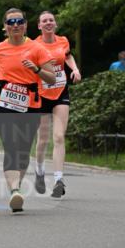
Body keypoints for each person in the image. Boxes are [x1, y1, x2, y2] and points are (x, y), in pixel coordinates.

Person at [0, 8, 57, 213]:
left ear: (25, 25)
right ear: (5, 27)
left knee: (24, 152)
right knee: (11, 146)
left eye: (19, 21)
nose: (15, 25)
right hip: (3, 104)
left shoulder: (37, 49)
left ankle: (15, 190)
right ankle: (15, 190)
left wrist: (35, 69)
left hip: (30, 105)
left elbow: (51, 78)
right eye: (11, 22)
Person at [33, 11, 82, 198]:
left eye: (51, 20)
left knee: (59, 136)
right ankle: (39, 170)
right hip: (41, 94)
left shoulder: (63, 41)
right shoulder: (34, 45)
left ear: (55, 24)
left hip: (60, 91)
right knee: (43, 139)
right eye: (44, 21)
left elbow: (68, 56)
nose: (48, 23)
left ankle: (59, 180)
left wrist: (75, 69)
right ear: (39, 26)